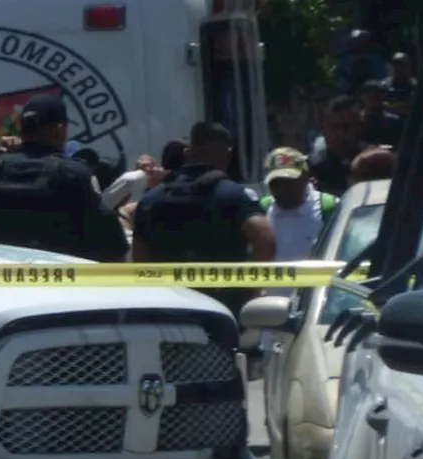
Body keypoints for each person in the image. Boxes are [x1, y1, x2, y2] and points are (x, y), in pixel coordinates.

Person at [131, 121, 276, 316]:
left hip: (169, 309)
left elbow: (139, 255)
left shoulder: (151, 198)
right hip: (222, 309)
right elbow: (264, 237)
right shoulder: (233, 195)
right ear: (228, 154)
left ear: (188, 154)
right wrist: (255, 289)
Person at [0, 94, 127, 261]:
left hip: (8, 278)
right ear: (58, 130)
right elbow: (111, 240)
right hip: (60, 279)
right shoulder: (71, 173)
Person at [259, 147, 338, 265]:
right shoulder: (261, 209)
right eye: (276, 184)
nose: (281, 191)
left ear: (305, 177)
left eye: (288, 183)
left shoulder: (330, 207)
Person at [309, 95, 370, 197]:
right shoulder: (312, 168)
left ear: (359, 128)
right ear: (323, 129)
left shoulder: (373, 162)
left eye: (346, 127)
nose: (339, 133)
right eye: (333, 126)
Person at [358, 80, 403, 148]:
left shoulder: (393, 122)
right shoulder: (357, 120)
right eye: (373, 98)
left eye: (380, 98)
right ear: (364, 98)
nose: (376, 102)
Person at [385, 52, 416, 116]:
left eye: (404, 65)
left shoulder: (416, 87)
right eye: (397, 65)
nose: (400, 68)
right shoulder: (383, 86)